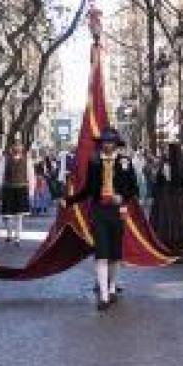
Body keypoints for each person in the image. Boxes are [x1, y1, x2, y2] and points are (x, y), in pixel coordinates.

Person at [66, 128, 139, 310]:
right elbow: (88, 189)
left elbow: (134, 188)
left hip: (117, 211)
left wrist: (122, 197)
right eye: (105, 141)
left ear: (115, 143)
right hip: (99, 211)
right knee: (101, 253)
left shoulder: (125, 162)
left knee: (115, 254)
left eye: (110, 141)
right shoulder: (94, 162)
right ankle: (104, 297)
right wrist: (69, 200)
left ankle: (112, 287)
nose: (107, 144)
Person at [0, 142, 33, 245]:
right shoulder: (5, 159)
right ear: (11, 147)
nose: (17, 148)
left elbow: (31, 175)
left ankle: (17, 236)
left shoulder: (27, 160)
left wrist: (31, 191)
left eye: (19, 146)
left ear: (22, 148)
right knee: (7, 215)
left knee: (19, 215)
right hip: (8, 189)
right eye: (15, 146)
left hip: (21, 189)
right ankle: (9, 234)